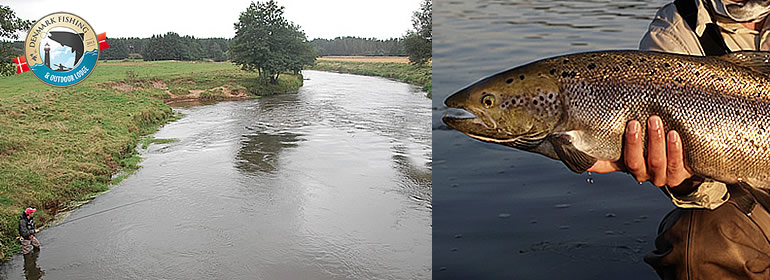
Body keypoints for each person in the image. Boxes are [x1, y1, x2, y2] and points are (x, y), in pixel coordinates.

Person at [588, 0, 770, 279]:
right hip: (752, 205)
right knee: (699, 244)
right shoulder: (675, 31)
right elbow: (706, 191)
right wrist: (689, 181)